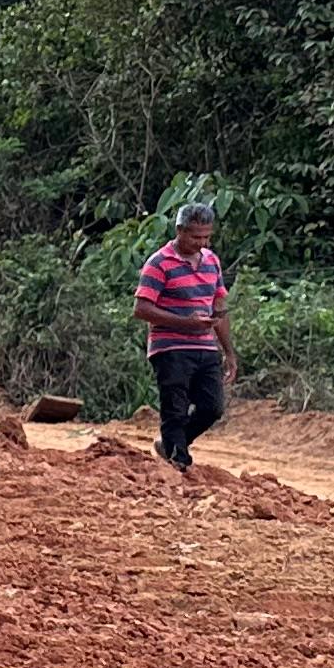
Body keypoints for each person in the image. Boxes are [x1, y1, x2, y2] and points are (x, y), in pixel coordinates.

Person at [132, 202, 234, 471]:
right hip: (170, 347)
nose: (201, 243)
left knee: (212, 407)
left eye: (206, 236)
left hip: (205, 346)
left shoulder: (212, 261)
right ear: (179, 230)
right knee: (174, 407)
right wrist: (184, 323)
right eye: (195, 236)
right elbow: (141, 308)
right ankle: (179, 461)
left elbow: (219, 307)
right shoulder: (159, 263)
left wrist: (229, 352)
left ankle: (171, 445)